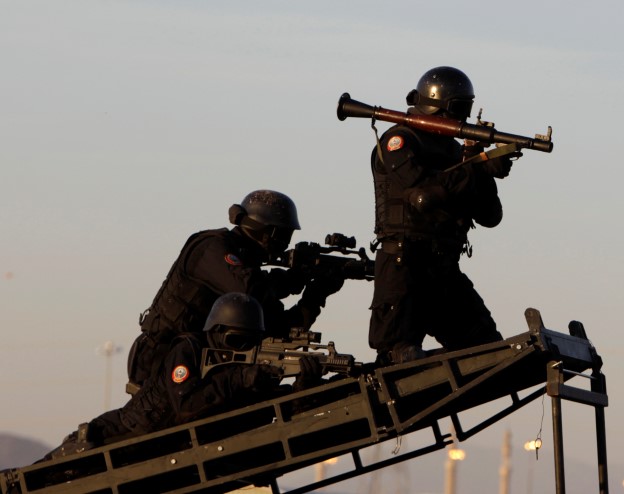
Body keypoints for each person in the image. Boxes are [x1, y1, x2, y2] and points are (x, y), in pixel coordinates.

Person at [43, 293, 323, 460]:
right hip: (120, 435)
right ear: (217, 332)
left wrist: (302, 388)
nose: (242, 350)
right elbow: (186, 406)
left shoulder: (245, 372)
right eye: (237, 340)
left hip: (164, 450)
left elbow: (273, 413)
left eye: (250, 343)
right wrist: (239, 379)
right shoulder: (188, 349)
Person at [369, 66, 520, 364]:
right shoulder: (400, 140)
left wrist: (482, 164)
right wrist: (473, 168)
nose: (463, 116)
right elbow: (422, 197)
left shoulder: (454, 151)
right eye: (459, 108)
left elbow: (491, 216)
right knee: (401, 359)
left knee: (488, 350)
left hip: (444, 268)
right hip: (405, 264)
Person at [127, 190, 344, 390]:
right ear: (267, 232)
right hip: (161, 362)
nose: (284, 245)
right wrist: (296, 278)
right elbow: (251, 288)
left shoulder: (246, 289)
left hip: (198, 366)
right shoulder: (213, 248)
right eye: (283, 236)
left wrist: (315, 296)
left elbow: (280, 327)